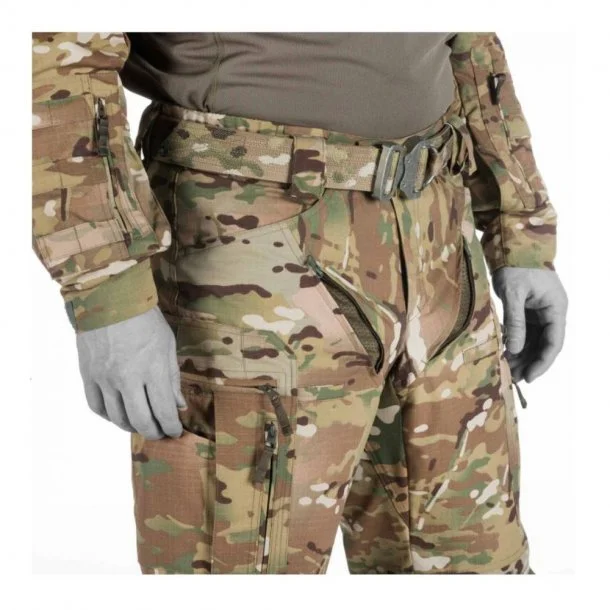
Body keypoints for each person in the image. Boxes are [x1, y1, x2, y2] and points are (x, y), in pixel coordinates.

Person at [31, 32, 567, 574]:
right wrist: (109, 294)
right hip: (245, 247)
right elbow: (59, 58)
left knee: (478, 567)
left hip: (440, 239)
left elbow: (468, 35)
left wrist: (519, 229)